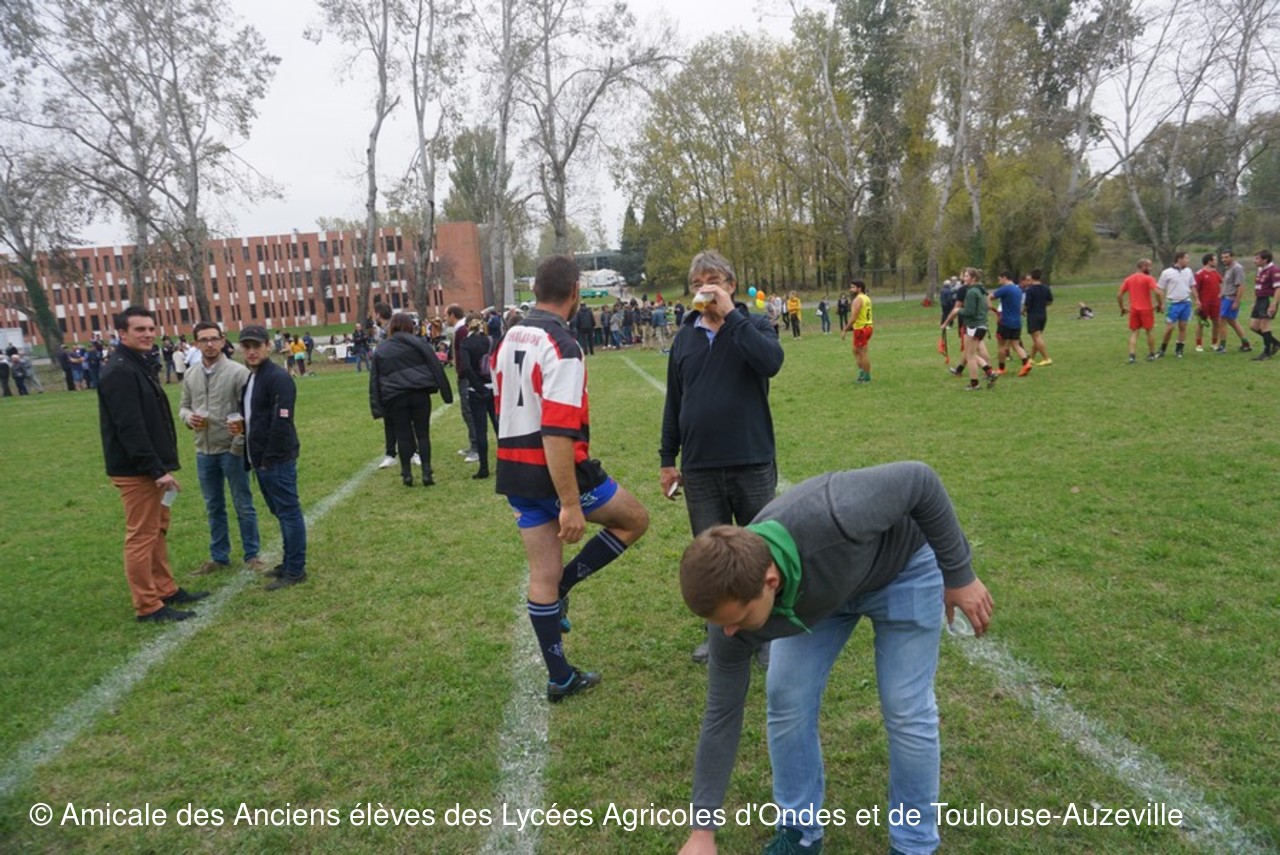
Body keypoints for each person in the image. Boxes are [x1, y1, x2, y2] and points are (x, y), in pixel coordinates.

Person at [676, 461, 994, 855]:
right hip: (821, 594)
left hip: (903, 568)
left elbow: (920, 480)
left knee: (906, 708)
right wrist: (702, 831)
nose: (728, 634)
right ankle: (800, 831)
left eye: (737, 620)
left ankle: (913, 844)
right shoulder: (730, 616)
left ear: (770, 583)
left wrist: (959, 574)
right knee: (786, 698)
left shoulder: (835, 512)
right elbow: (721, 715)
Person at [494, 255, 650, 701]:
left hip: (514, 468)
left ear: (535, 290)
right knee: (634, 520)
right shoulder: (563, 345)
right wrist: (568, 502)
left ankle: (560, 676)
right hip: (555, 470)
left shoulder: (509, 336)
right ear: (576, 292)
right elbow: (557, 431)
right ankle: (565, 586)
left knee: (541, 574)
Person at [661, 249, 784, 667]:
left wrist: (731, 315)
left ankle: (767, 634)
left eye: (712, 281)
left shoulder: (754, 325)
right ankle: (719, 636)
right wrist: (667, 458)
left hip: (751, 460)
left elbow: (771, 363)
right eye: (697, 284)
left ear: (731, 285)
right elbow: (674, 402)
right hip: (700, 467)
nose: (704, 289)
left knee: (761, 548)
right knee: (711, 557)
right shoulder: (685, 336)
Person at [98, 306, 208, 622]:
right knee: (142, 536)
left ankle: (165, 589)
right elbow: (129, 427)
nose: (148, 334)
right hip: (137, 471)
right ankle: (147, 605)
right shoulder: (120, 371)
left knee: (157, 530)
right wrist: (155, 469)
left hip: (151, 466)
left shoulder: (138, 364)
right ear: (122, 334)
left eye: (150, 328)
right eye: (139, 329)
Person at [178, 321, 265, 577]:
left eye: (214, 339)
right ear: (195, 343)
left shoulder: (239, 373)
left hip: (231, 451)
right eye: (204, 340)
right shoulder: (191, 374)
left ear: (223, 340)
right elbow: (183, 406)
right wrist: (188, 417)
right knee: (213, 506)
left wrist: (238, 445)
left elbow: (250, 413)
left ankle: (252, 554)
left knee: (243, 503)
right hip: (204, 452)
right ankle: (219, 556)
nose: (209, 344)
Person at [235, 325, 308, 590]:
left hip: (276, 459)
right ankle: (288, 563)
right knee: (281, 512)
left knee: (289, 512)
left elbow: (282, 421)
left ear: (268, 346)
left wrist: (268, 459)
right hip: (261, 459)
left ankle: (295, 570)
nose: (252, 351)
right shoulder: (253, 378)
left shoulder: (277, 378)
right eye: (247, 347)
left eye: (257, 346)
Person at [369, 312, 454, 486]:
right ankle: (426, 472)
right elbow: (436, 366)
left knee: (403, 435)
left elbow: (375, 379)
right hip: (419, 392)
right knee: (423, 434)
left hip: (395, 396)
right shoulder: (419, 344)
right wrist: (446, 394)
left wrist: (377, 406)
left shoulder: (382, 349)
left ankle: (406, 473)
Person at [941, 268, 997, 390]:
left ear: (973, 278)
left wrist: (958, 310)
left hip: (973, 326)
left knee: (970, 356)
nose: (963, 278)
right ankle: (989, 372)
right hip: (982, 325)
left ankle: (974, 384)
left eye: (966, 276)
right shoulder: (981, 290)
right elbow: (987, 307)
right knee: (971, 353)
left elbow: (969, 312)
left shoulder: (971, 292)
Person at [458, 313, 497, 479]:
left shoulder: (466, 343)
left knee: (481, 430)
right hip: (493, 387)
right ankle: (505, 463)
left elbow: (466, 368)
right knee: (499, 427)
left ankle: (484, 467)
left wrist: (478, 388)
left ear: (468, 326)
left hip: (476, 390)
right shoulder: (490, 341)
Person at [447, 303, 481, 463]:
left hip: (466, 376)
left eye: (447, 315)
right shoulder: (461, 329)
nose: (445, 318)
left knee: (469, 411)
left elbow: (464, 355)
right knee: (467, 411)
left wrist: (461, 372)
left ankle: (476, 447)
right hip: (466, 375)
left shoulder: (461, 330)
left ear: (452, 315)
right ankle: (473, 444)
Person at [1118, 258, 1163, 363]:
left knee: (1134, 332)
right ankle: (1151, 354)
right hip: (1146, 309)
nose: (1151, 269)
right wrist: (1160, 304)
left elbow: (1119, 295)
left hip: (1134, 310)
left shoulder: (1129, 279)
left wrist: (1122, 307)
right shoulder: (1149, 278)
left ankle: (1132, 356)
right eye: (1149, 266)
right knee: (1149, 331)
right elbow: (1157, 292)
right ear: (1143, 267)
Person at [990, 271, 1033, 377]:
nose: (999, 281)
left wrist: (990, 307)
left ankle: (1001, 368)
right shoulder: (1018, 289)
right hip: (1017, 322)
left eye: (1000, 279)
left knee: (1001, 345)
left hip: (1005, 321)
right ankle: (1026, 363)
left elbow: (990, 296)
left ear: (1005, 278)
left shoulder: (1005, 289)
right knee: (1016, 345)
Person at [1155, 252, 1196, 359]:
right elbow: (1159, 289)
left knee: (1183, 327)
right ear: (1179, 259)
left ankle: (1179, 350)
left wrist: (1197, 300)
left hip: (1186, 302)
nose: (1188, 260)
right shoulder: (1167, 272)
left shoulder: (1189, 271)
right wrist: (1161, 303)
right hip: (1172, 304)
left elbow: (1192, 286)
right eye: (1186, 258)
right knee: (1170, 328)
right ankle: (1162, 349)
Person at [1217, 250, 1252, 352]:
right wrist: (1222, 293)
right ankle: (1246, 344)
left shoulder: (1237, 268)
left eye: (1226, 257)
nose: (1224, 259)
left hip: (1231, 298)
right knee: (1232, 321)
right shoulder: (1228, 268)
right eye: (1223, 257)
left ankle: (1222, 347)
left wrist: (1237, 301)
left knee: (1222, 320)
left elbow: (1241, 286)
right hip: (1226, 297)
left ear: (1233, 257)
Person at [1249, 249, 1280, 360]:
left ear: (1265, 260)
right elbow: (1258, 287)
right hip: (1260, 300)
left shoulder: (1274, 270)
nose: (1254, 261)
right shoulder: (1260, 270)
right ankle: (1276, 343)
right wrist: (1255, 302)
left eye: (1257, 258)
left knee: (1264, 326)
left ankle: (1266, 353)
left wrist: (1273, 304)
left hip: (1268, 300)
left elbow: (1278, 288)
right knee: (1253, 326)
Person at [841, 279, 874, 383]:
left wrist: (845, 329)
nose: (850, 289)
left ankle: (866, 377)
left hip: (861, 329)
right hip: (867, 327)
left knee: (862, 353)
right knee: (856, 351)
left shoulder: (858, 300)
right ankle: (862, 374)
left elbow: (854, 317)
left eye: (853, 287)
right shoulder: (866, 298)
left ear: (859, 288)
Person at [1022, 270, 1054, 366]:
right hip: (1043, 315)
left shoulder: (1030, 290)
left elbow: (1027, 304)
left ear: (1032, 277)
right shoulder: (1046, 288)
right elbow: (1050, 301)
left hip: (1033, 316)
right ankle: (1031, 358)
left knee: (1037, 338)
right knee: (1037, 337)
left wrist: (1023, 311)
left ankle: (1047, 358)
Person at [1193, 253, 1222, 353]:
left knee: (1216, 322)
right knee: (1201, 323)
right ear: (1209, 261)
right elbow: (1194, 288)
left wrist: (1221, 294)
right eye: (1215, 260)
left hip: (1216, 302)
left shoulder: (1215, 272)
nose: (1216, 261)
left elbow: (1221, 282)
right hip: (1204, 302)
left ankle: (1214, 343)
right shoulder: (1199, 274)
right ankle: (1199, 344)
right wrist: (1197, 300)